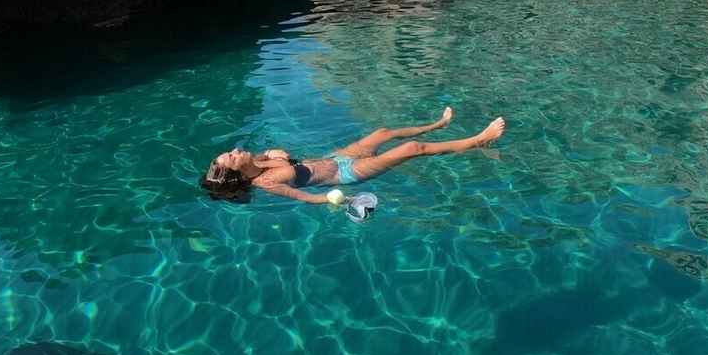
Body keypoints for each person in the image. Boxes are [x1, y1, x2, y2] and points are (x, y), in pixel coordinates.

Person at [199, 108, 504, 204]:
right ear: (236, 172)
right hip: (346, 173)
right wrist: (338, 199)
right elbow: (308, 199)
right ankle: (480, 141)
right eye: (232, 156)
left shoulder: (261, 158)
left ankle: (438, 124)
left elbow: (274, 156)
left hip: (335, 156)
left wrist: (273, 152)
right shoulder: (267, 182)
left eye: (230, 151)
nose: (236, 150)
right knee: (412, 149)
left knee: (383, 132)